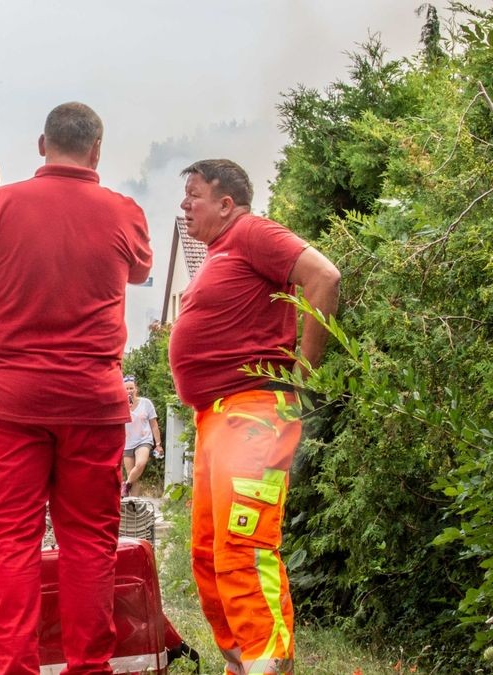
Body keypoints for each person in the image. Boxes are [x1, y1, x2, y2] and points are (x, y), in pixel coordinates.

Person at [0, 103, 152, 673]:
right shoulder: (125, 213)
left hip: (10, 403)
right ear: (97, 150)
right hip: (93, 403)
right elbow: (140, 272)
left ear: (40, 144)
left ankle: (13, 668)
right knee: (89, 544)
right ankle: (89, 668)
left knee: (9, 545)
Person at [169, 159, 340, 675]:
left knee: (244, 548)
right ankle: (247, 666)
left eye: (193, 194)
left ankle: (270, 662)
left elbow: (324, 277)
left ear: (226, 203)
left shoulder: (252, 232)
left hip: (253, 413)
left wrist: (301, 381)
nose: (184, 204)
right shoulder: (222, 252)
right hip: (214, 420)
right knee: (207, 556)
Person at [122, 376, 163, 498]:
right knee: (132, 474)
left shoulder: (146, 403)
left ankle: (125, 485)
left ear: (136, 389)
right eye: (126, 389)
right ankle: (133, 505)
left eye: (131, 388)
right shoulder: (120, 405)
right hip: (127, 442)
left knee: (141, 463)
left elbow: (154, 425)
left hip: (144, 440)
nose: (129, 391)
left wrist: (158, 444)